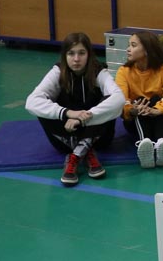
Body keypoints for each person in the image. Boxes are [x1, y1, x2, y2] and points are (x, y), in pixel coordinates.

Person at [26, 32, 125, 187]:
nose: (76, 59)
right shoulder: (58, 72)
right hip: (64, 139)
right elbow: (31, 102)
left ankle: (76, 156)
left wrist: (83, 118)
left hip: (99, 138)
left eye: (81, 53)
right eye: (71, 53)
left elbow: (119, 99)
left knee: (110, 102)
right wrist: (67, 113)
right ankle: (86, 150)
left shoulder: (99, 72)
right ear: (64, 56)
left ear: (89, 55)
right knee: (42, 106)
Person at [114, 30, 163, 168]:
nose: (128, 49)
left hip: (157, 118)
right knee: (139, 101)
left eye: (133, 45)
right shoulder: (123, 71)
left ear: (147, 50)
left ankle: (160, 143)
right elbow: (121, 100)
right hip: (134, 120)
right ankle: (144, 144)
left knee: (155, 99)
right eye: (129, 45)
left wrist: (157, 109)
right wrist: (133, 109)